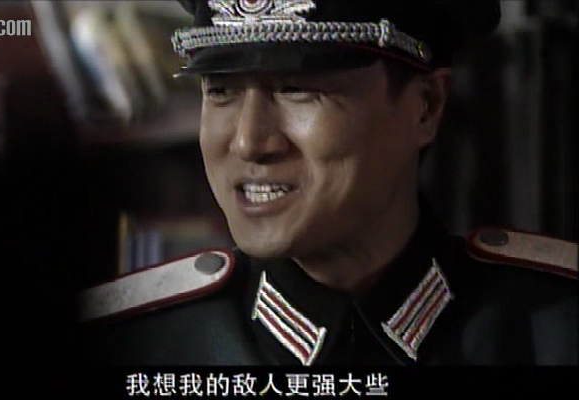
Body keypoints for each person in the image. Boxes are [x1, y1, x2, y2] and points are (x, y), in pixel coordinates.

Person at [77, 0, 577, 366]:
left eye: (296, 89)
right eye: (222, 89)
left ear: (426, 106)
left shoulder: (554, 331)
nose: (249, 141)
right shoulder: (132, 346)